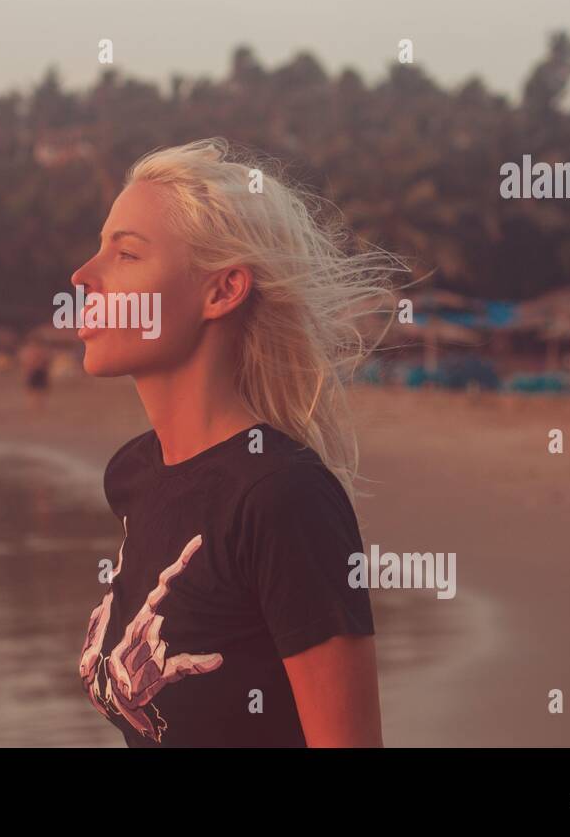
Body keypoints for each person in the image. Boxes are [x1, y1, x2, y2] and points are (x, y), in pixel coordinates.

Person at [74, 138, 395, 748]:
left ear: (221, 291)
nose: (84, 276)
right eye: (99, 250)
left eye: (127, 255)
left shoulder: (282, 497)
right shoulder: (136, 476)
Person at [19, 335, 52, 411]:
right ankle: (34, 406)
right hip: (33, 371)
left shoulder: (42, 351)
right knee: (32, 390)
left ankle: (38, 406)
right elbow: (24, 362)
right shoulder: (28, 351)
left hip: (39, 371)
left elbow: (46, 361)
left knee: (40, 390)